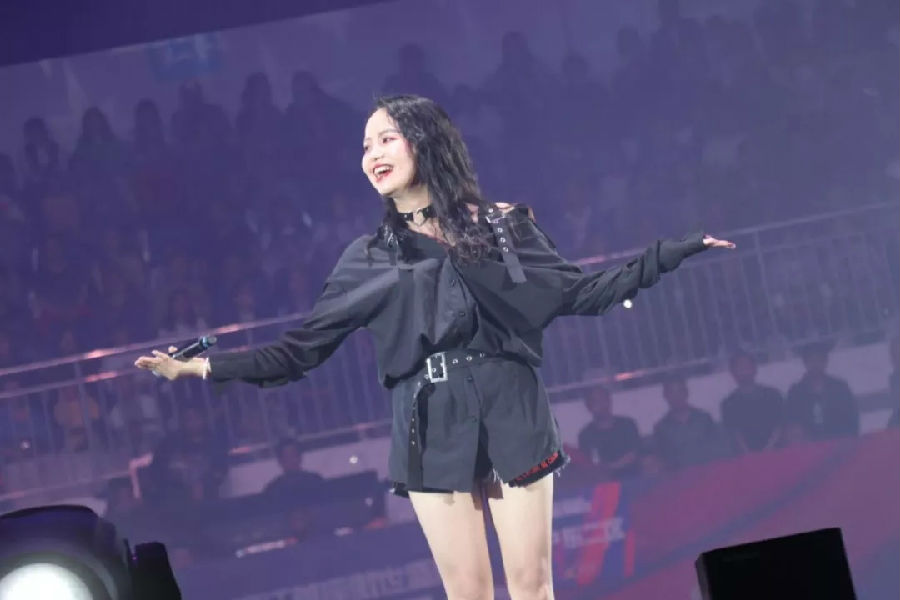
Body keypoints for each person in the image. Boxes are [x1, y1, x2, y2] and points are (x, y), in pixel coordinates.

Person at [136, 95, 735, 600]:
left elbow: (581, 293)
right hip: (428, 420)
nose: (372, 154)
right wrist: (201, 367)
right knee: (468, 594)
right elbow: (300, 350)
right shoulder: (367, 258)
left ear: (425, 141)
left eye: (386, 138)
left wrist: (668, 254)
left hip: (511, 404)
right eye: (365, 146)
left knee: (532, 588)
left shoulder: (501, 224)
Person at [785, 342, 859, 440]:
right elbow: (791, 423)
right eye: (811, 360)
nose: (815, 364)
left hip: (838, 443)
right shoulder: (795, 393)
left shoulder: (840, 388)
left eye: (819, 359)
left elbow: (852, 419)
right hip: (808, 446)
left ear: (826, 361)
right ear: (805, 363)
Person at [652, 375, 725, 469]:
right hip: (681, 475)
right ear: (665, 396)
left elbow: (718, 449)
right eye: (672, 393)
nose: (676, 397)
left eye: (680, 391)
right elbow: (662, 460)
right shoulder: (661, 428)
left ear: (686, 392)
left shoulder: (704, 418)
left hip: (709, 471)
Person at [720, 350, 785, 454]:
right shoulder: (728, 404)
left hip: (777, 451)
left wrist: (769, 449)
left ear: (755, 369)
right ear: (732, 373)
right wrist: (749, 454)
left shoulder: (773, 394)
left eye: (747, 366)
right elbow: (734, 433)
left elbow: (780, 425)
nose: (744, 371)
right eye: (739, 368)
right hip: (746, 456)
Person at [576, 386, 641, 480]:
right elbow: (588, 465)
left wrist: (612, 467)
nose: (602, 405)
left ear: (610, 401)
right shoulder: (585, 435)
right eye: (596, 401)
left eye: (604, 399)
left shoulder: (627, 425)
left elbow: (634, 454)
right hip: (603, 480)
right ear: (588, 406)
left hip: (632, 476)